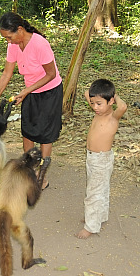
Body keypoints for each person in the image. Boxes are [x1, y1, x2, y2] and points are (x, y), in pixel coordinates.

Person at [0, 12, 63, 189]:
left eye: (9, 36)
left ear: (20, 30)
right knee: (28, 131)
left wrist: (26, 91)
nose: (8, 40)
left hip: (49, 92)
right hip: (30, 92)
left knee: (45, 134)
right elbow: (7, 73)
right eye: (5, 38)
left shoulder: (39, 44)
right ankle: (30, 170)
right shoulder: (14, 45)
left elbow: (51, 74)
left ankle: (42, 177)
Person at [76, 79, 127, 239]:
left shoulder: (113, 117)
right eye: (93, 104)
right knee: (100, 189)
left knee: (94, 193)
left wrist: (113, 95)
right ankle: (98, 216)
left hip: (102, 160)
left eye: (99, 104)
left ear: (111, 101)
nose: (95, 107)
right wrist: (99, 96)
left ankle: (91, 225)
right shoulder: (98, 112)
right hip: (91, 158)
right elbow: (87, 93)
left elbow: (123, 106)